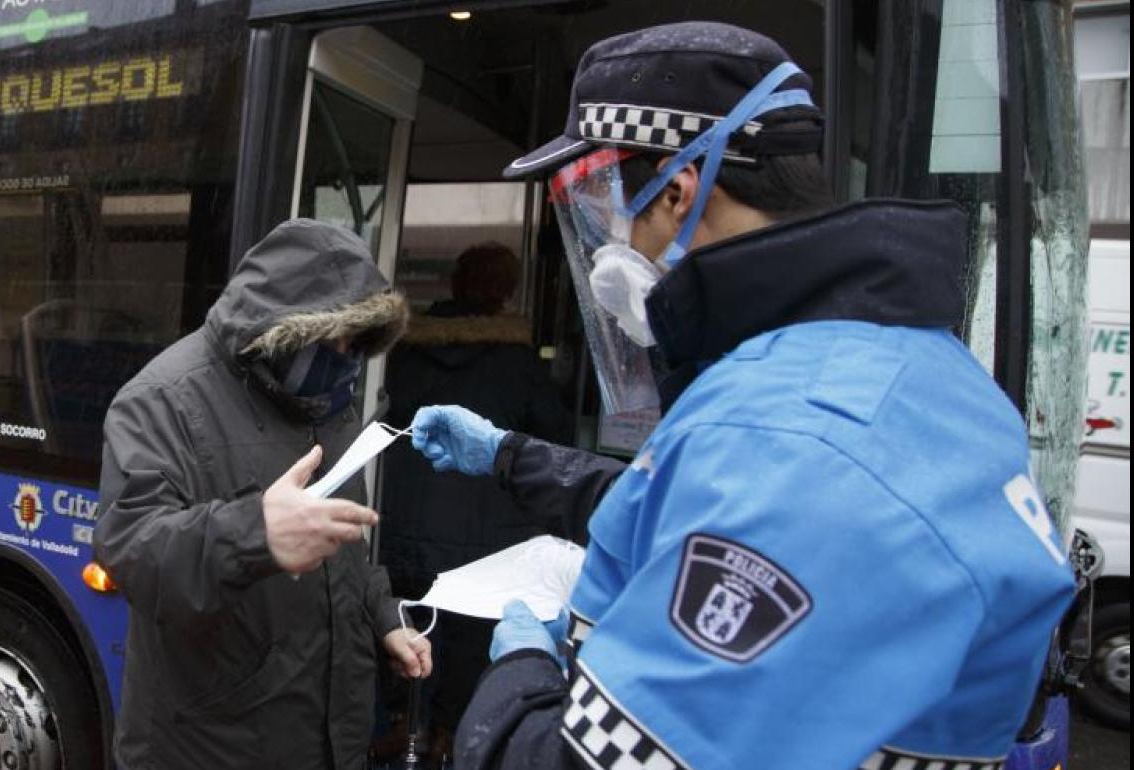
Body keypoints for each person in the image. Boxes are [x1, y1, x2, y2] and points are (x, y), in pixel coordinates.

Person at [409, 22, 1077, 770]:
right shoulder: (927, 377)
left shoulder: (784, 429)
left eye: (604, 208)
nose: (603, 244)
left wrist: (521, 677)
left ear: (682, 188)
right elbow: (711, 500)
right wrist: (509, 456)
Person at [94, 219, 432, 769]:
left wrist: (384, 617)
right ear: (286, 328)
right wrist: (258, 533)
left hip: (326, 744)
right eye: (335, 338)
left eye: (357, 343)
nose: (346, 357)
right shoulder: (161, 399)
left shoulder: (329, 401)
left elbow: (343, 552)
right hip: (208, 749)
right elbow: (129, 548)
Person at [376, 242, 572, 764]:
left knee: (406, 628)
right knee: (464, 640)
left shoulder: (406, 349)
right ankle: (447, 735)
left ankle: (403, 726)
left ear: (455, 283)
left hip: (402, 524)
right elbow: (555, 437)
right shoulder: (519, 361)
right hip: (485, 533)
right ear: (506, 292)